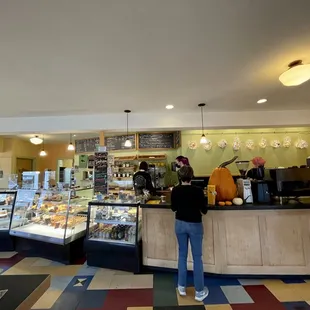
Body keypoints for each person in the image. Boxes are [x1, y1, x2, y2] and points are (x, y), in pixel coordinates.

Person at [171, 165, 209, 302]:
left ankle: (181, 287)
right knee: (197, 257)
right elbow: (204, 210)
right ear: (191, 176)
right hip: (195, 225)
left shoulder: (175, 190)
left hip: (179, 224)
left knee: (182, 255)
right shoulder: (198, 191)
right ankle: (199, 292)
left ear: (179, 177)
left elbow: (173, 208)